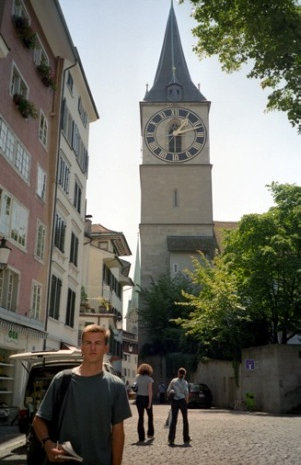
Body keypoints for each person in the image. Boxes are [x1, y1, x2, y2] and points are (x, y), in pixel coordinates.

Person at [32, 324, 132, 465]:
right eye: (88, 343)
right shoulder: (61, 379)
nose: (92, 348)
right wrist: (47, 444)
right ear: (82, 347)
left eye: (98, 343)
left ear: (105, 348)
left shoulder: (116, 386)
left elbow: (118, 432)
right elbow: (38, 420)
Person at [167, 367, 190, 446]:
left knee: (174, 420)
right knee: (185, 420)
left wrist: (171, 396)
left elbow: (168, 390)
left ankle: (171, 439)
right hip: (182, 401)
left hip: (175, 401)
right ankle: (186, 438)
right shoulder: (185, 382)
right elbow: (186, 393)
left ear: (178, 373)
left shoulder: (173, 381)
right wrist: (186, 402)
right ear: (184, 374)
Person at [134, 363, 154, 443]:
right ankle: (150, 433)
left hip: (139, 398)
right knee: (150, 416)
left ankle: (141, 437)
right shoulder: (149, 379)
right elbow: (150, 391)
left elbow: (135, 387)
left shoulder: (137, 377)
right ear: (149, 370)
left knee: (140, 417)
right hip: (146, 398)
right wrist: (149, 402)